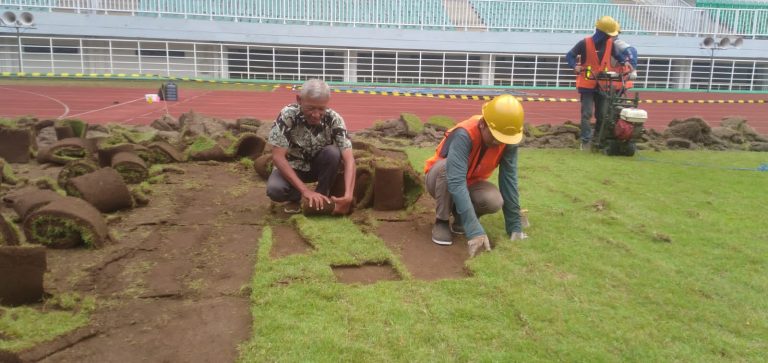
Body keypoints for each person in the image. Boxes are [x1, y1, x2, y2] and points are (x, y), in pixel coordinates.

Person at [424, 94, 527, 258]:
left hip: (471, 182)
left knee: (494, 200)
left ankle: (460, 219)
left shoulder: (508, 140)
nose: (497, 143)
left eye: (502, 139)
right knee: (446, 167)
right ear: (482, 124)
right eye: (494, 138)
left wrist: (514, 225)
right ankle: (441, 221)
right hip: (439, 180)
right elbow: (456, 181)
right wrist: (475, 230)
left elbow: (509, 180)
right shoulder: (464, 134)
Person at [266, 79, 356, 215]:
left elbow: (349, 160)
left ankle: (321, 197)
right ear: (299, 100)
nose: (315, 115)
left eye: (321, 109)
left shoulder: (334, 119)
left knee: (333, 152)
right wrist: (305, 191)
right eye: (310, 108)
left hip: (317, 168)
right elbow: (278, 157)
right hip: (292, 166)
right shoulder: (287, 116)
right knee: (275, 190)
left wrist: (349, 195)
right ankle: (295, 197)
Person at [566, 16, 638, 149]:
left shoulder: (610, 44)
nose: (609, 38)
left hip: (603, 84)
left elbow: (619, 56)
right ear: (601, 33)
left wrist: (625, 62)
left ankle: (597, 139)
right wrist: (574, 65)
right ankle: (585, 140)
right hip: (587, 85)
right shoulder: (584, 43)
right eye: (608, 35)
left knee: (601, 114)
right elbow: (569, 55)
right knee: (587, 113)